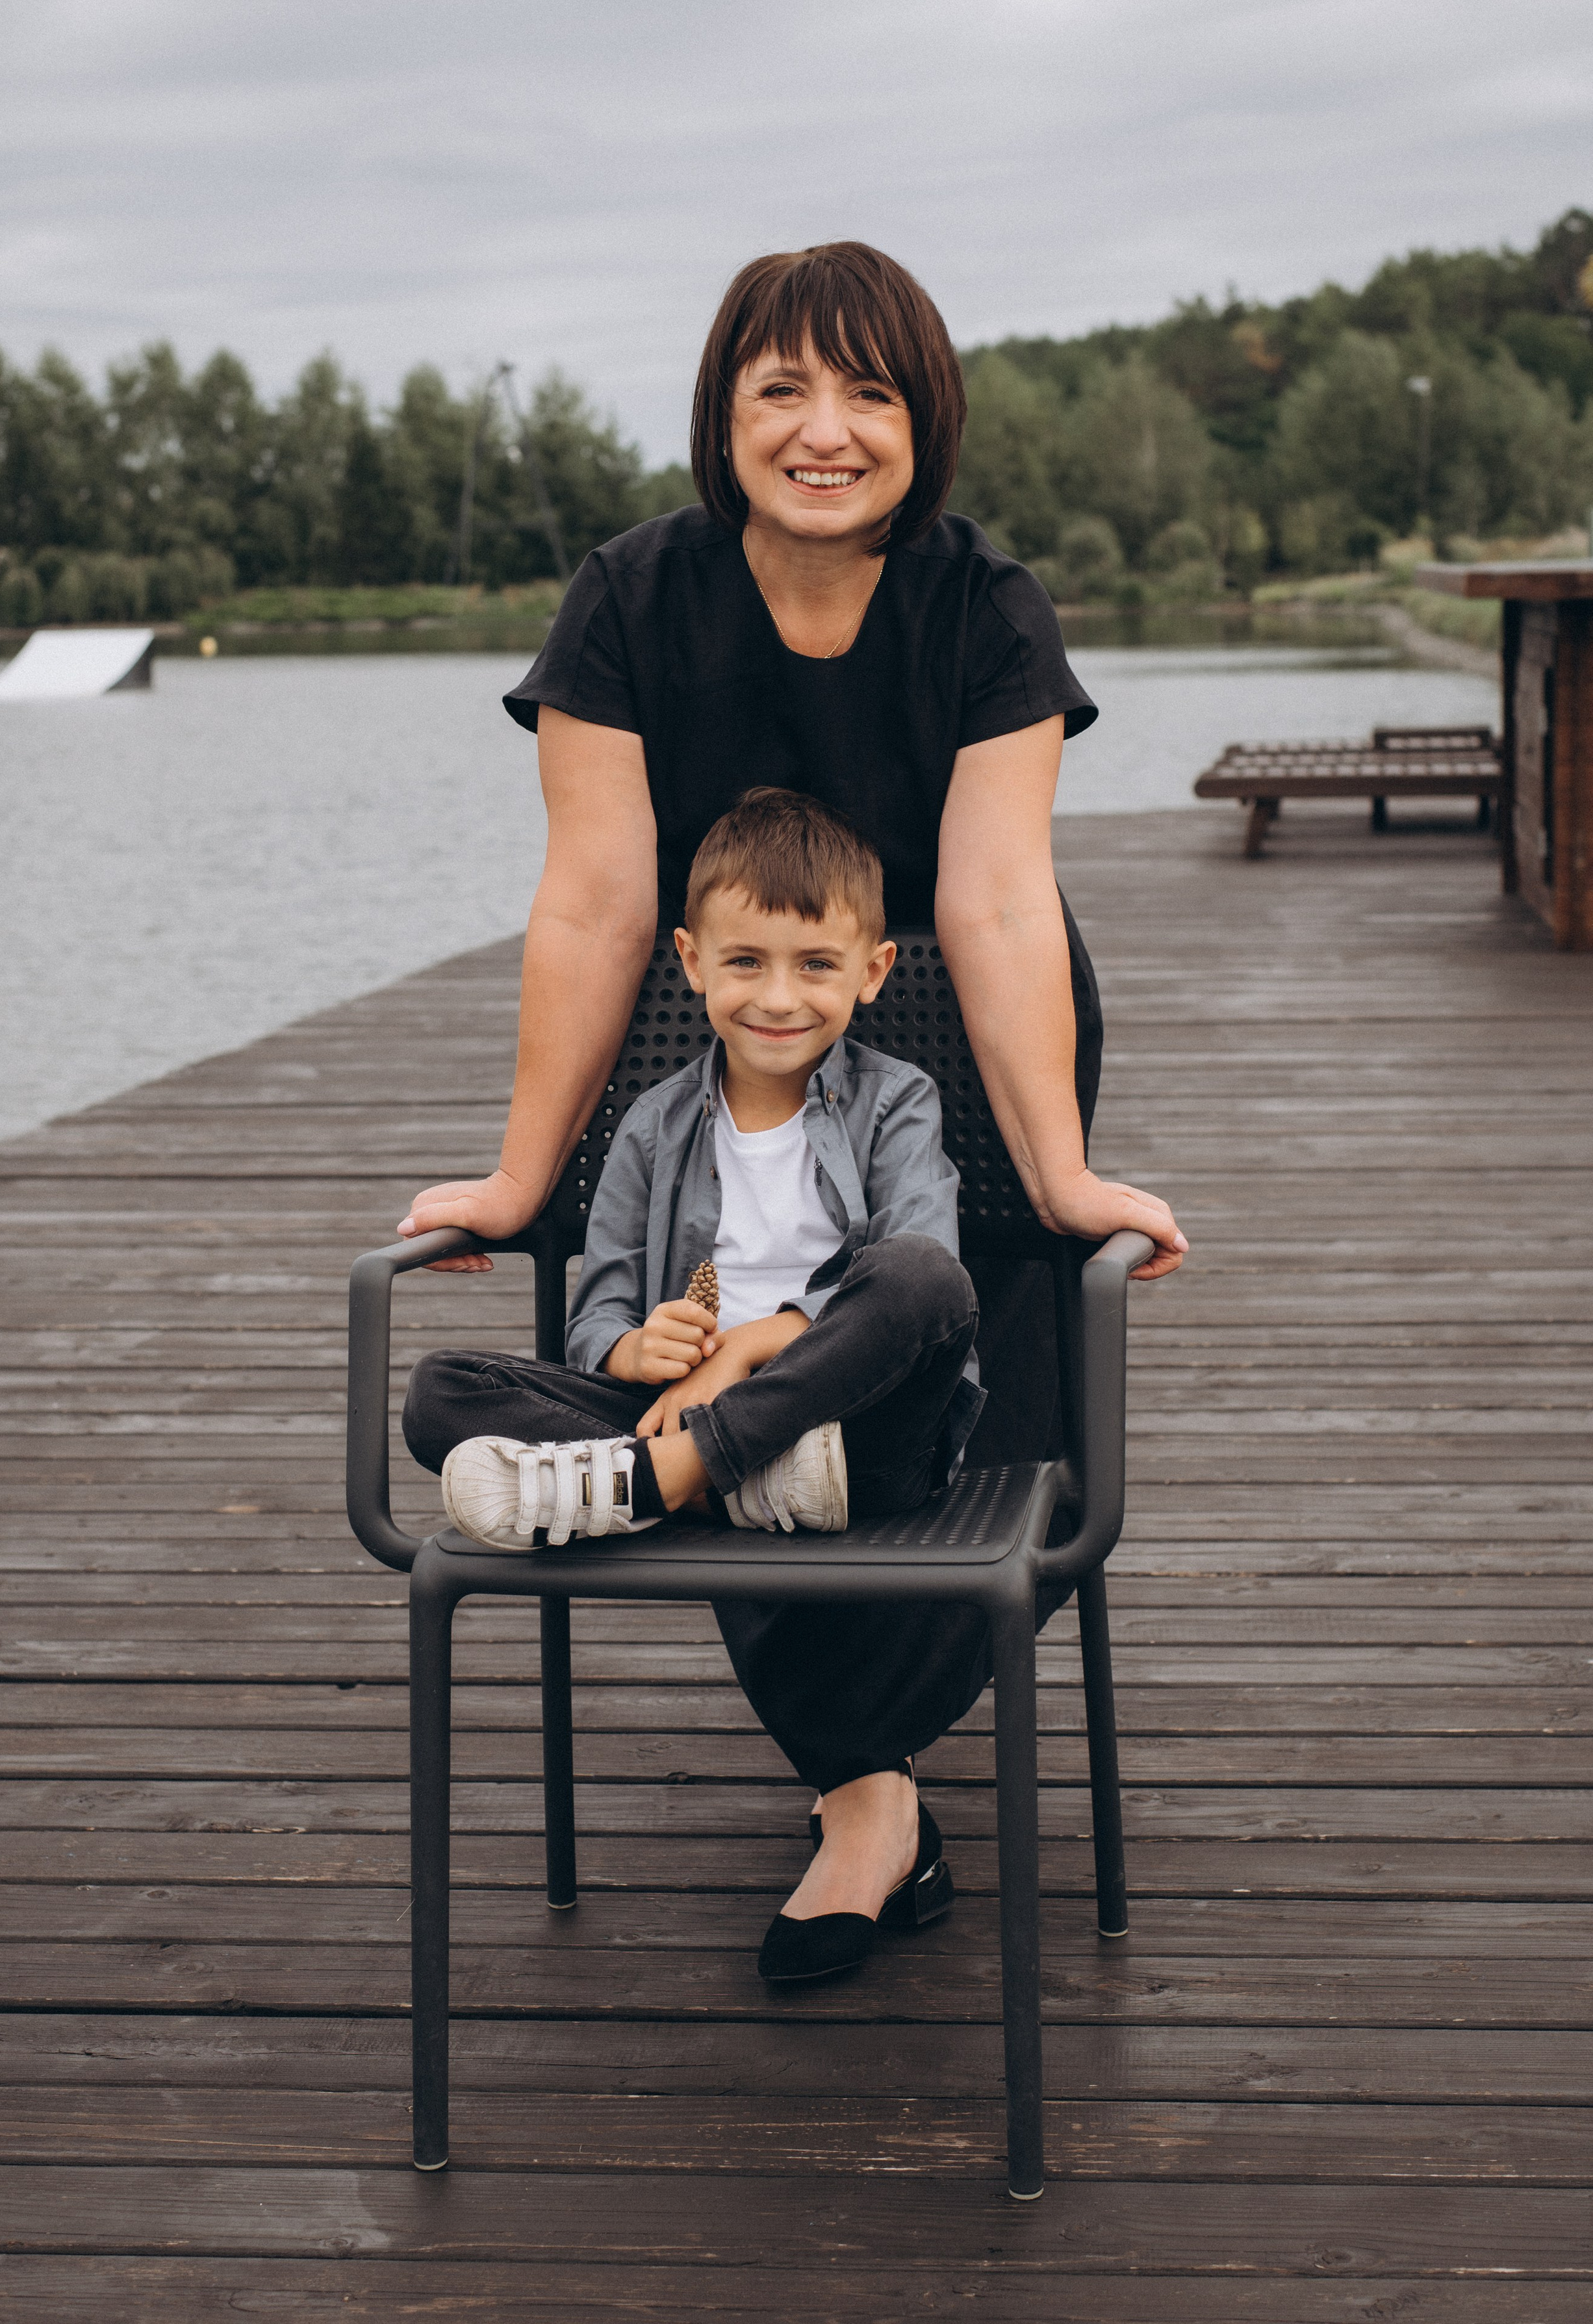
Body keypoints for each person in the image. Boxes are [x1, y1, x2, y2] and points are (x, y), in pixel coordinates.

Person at [398, 239, 1186, 1973]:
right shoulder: (631, 598)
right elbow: (600, 904)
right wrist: (529, 1171)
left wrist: (1056, 1170)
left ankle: (827, 1726)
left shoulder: (987, 607)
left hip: (966, 1084)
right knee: (699, 1340)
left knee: (986, 1432)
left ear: (925, 420)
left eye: (868, 392)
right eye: (782, 390)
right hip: (712, 1072)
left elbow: (989, 901)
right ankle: (866, 1793)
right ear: (723, 412)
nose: (823, 429)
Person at [403, 791, 985, 1975]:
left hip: (863, 1437)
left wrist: (752, 1346)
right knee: (439, 1392)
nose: (780, 996)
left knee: (919, 1279)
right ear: (690, 963)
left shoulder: (896, 1103)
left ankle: (672, 1478)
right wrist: (641, 1350)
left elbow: (925, 1282)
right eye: (746, 963)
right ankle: (702, 1476)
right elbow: (596, 1319)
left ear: (872, 971)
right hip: (703, 1430)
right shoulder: (654, 1125)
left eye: (817, 964)